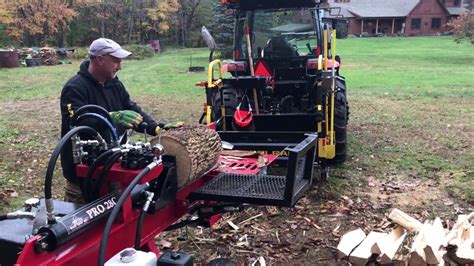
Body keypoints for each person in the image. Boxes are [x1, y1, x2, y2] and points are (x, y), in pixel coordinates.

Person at [60, 38, 166, 203]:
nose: (120, 66)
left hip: (113, 169)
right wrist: (112, 117)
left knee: (116, 220)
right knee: (82, 225)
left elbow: (131, 109)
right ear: (100, 59)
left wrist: (155, 128)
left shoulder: (115, 85)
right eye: (116, 61)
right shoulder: (75, 88)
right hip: (84, 178)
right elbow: (77, 122)